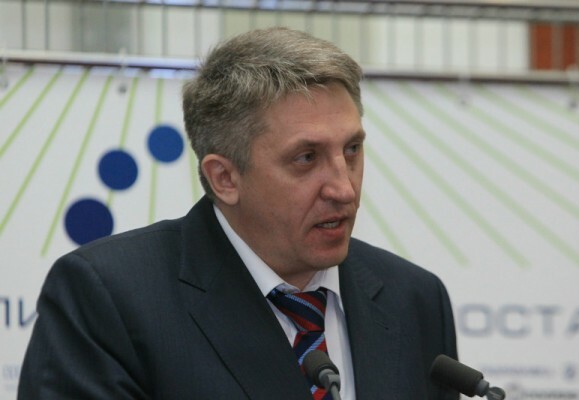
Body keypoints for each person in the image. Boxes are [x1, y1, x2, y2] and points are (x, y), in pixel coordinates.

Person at [18, 27, 458, 399]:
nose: (344, 188)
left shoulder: (414, 299)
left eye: (352, 150)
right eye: (306, 158)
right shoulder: (109, 298)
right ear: (224, 178)